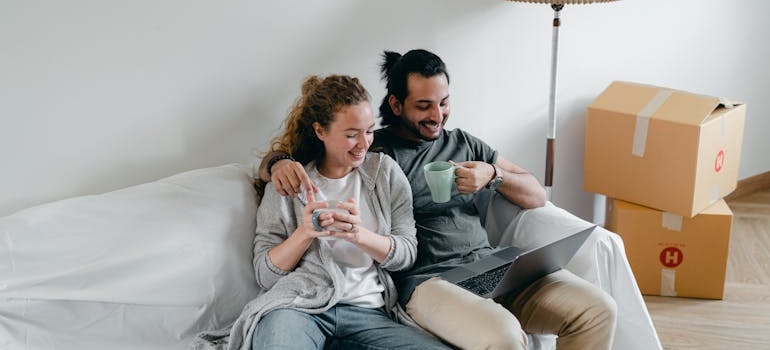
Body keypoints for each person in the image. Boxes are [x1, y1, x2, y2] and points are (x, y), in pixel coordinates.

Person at [259, 50, 618, 350]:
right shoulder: (377, 152)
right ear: (397, 105)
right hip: (431, 282)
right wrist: (277, 163)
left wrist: (493, 176)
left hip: (491, 267)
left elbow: (536, 194)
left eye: (444, 103)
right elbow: (306, 156)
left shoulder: (465, 143)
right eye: (424, 106)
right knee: (504, 335)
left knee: (598, 309)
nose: (437, 116)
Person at [192, 75, 452, 350]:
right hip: (298, 307)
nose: (363, 144)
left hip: (369, 313)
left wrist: (358, 235)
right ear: (320, 131)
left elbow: (406, 254)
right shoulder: (289, 183)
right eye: (351, 135)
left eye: (369, 131)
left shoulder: (385, 173)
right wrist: (305, 233)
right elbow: (265, 275)